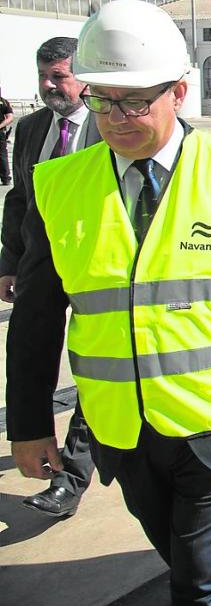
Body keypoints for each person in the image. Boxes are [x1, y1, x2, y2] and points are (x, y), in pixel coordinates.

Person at [6, 0, 211, 606]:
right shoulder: (60, 185)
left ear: (179, 90)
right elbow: (36, 316)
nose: (115, 117)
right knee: (197, 565)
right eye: (102, 98)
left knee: (198, 586)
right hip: (123, 429)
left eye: (135, 101)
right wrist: (31, 424)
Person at [1, 37, 102, 519]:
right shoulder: (31, 129)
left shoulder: (111, 125)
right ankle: (34, 437)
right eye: (43, 76)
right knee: (27, 345)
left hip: (97, 265)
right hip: (42, 263)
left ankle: (73, 475)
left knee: (96, 367)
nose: (48, 86)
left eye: (59, 76)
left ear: (83, 74)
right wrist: (8, 260)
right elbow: (19, 198)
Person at [0, 85, 14, 185]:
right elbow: (10, 118)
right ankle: (5, 178)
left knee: (2, 155)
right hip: (1, 131)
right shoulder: (4, 102)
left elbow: (10, 117)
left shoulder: (3, 102)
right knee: (2, 155)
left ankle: (5, 178)